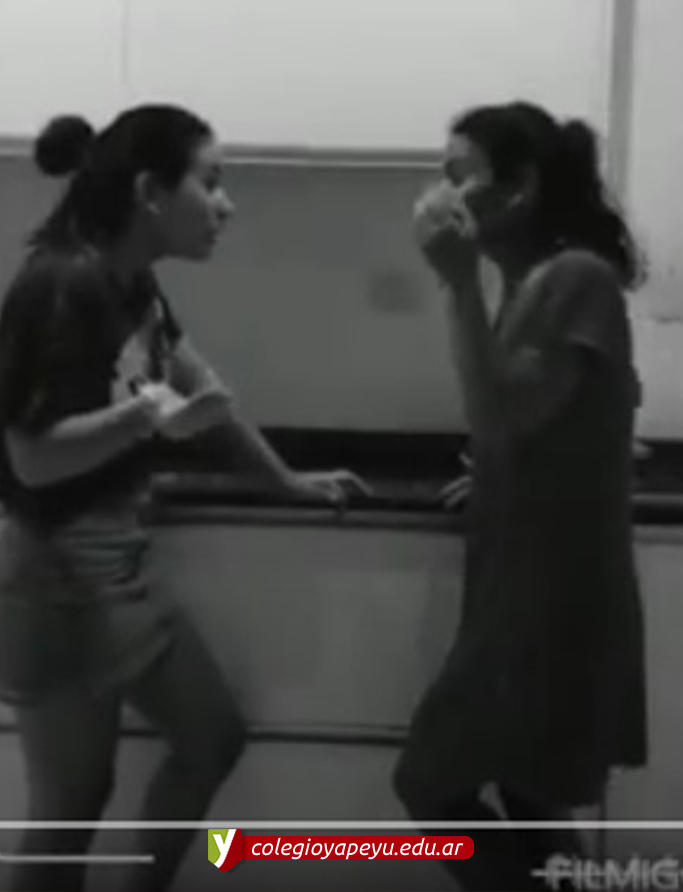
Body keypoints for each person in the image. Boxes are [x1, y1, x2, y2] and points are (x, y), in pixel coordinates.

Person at [0, 105, 368, 892]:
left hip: (115, 568)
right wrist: (145, 419)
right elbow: (32, 459)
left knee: (210, 737)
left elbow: (200, 391)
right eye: (211, 182)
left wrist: (285, 482)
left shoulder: (130, 280)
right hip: (55, 580)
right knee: (69, 809)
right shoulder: (61, 284)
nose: (225, 205)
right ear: (149, 192)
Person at [393, 101, 647, 891]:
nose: (440, 193)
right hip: (527, 585)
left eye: (457, 174)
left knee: (429, 783)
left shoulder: (571, 278)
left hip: (547, 600)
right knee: (530, 796)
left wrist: (456, 282)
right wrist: (502, 472)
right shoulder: (533, 282)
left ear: (520, 186)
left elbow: (498, 413)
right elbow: (544, 416)